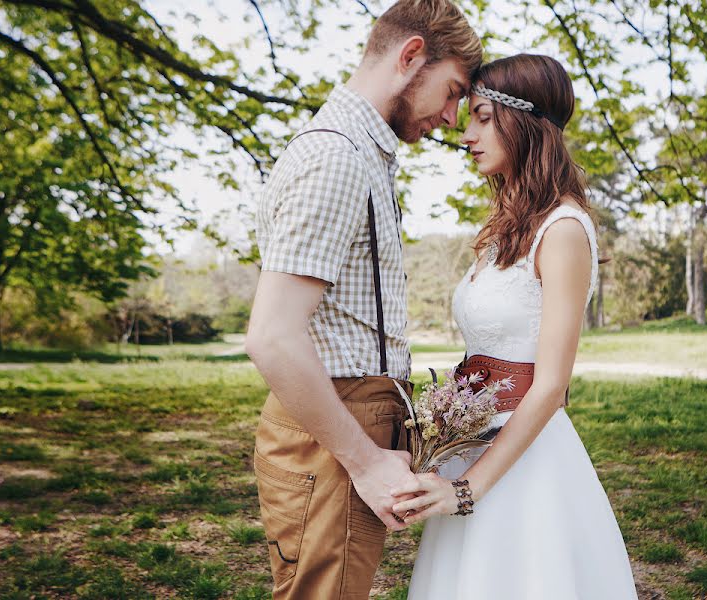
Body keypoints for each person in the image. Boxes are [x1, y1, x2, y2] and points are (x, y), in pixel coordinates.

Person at [244, 1, 481, 597]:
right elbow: (272, 336)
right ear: (410, 58)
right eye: (452, 92)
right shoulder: (338, 158)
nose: (453, 119)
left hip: (345, 416)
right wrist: (367, 461)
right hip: (335, 425)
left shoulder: (360, 152)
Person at [390, 54, 640, 599]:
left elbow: (551, 384)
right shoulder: (504, 231)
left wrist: (467, 490)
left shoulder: (564, 229)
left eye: (481, 116)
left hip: (524, 461)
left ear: (522, 123)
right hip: (469, 443)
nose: (465, 133)